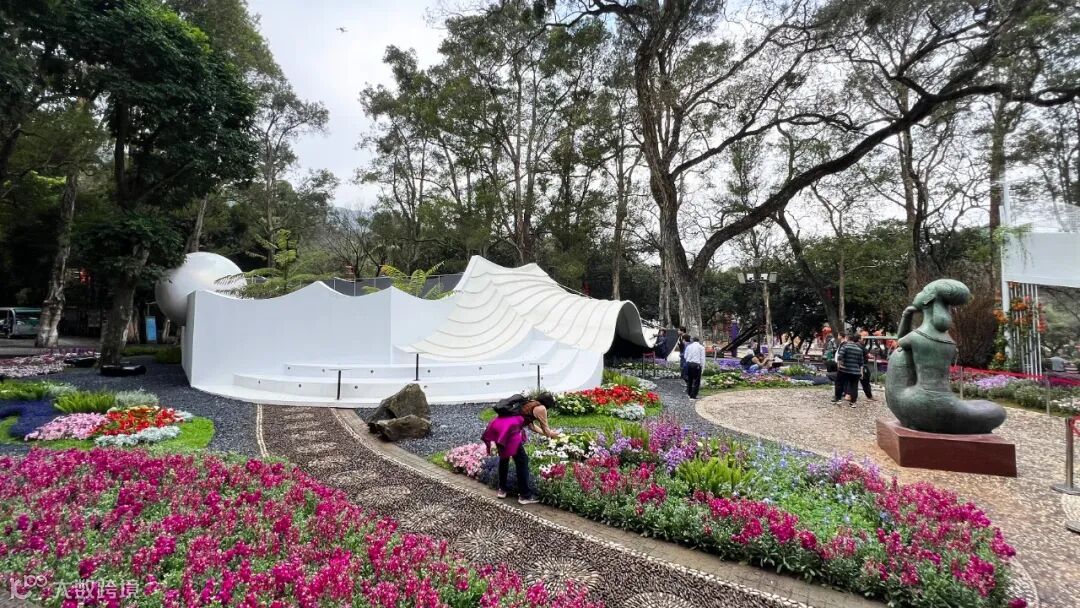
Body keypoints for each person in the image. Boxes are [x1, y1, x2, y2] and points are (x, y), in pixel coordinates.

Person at [481, 396, 559, 504]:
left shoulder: (529, 403)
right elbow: (546, 429)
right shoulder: (541, 408)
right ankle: (525, 496)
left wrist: (547, 434)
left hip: (498, 424)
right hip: (509, 429)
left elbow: (531, 426)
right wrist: (553, 434)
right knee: (522, 460)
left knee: (504, 458)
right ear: (548, 404)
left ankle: (502, 490)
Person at [833, 332, 865, 407]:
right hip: (856, 372)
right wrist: (861, 373)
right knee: (854, 387)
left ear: (847, 338)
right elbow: (861, 363)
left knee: (839, 384)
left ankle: (838, 399)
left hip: (844, 370)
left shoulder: (845, 347)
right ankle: (853, 403)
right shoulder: (859, 349)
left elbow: (840, 357)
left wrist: (839, 366)